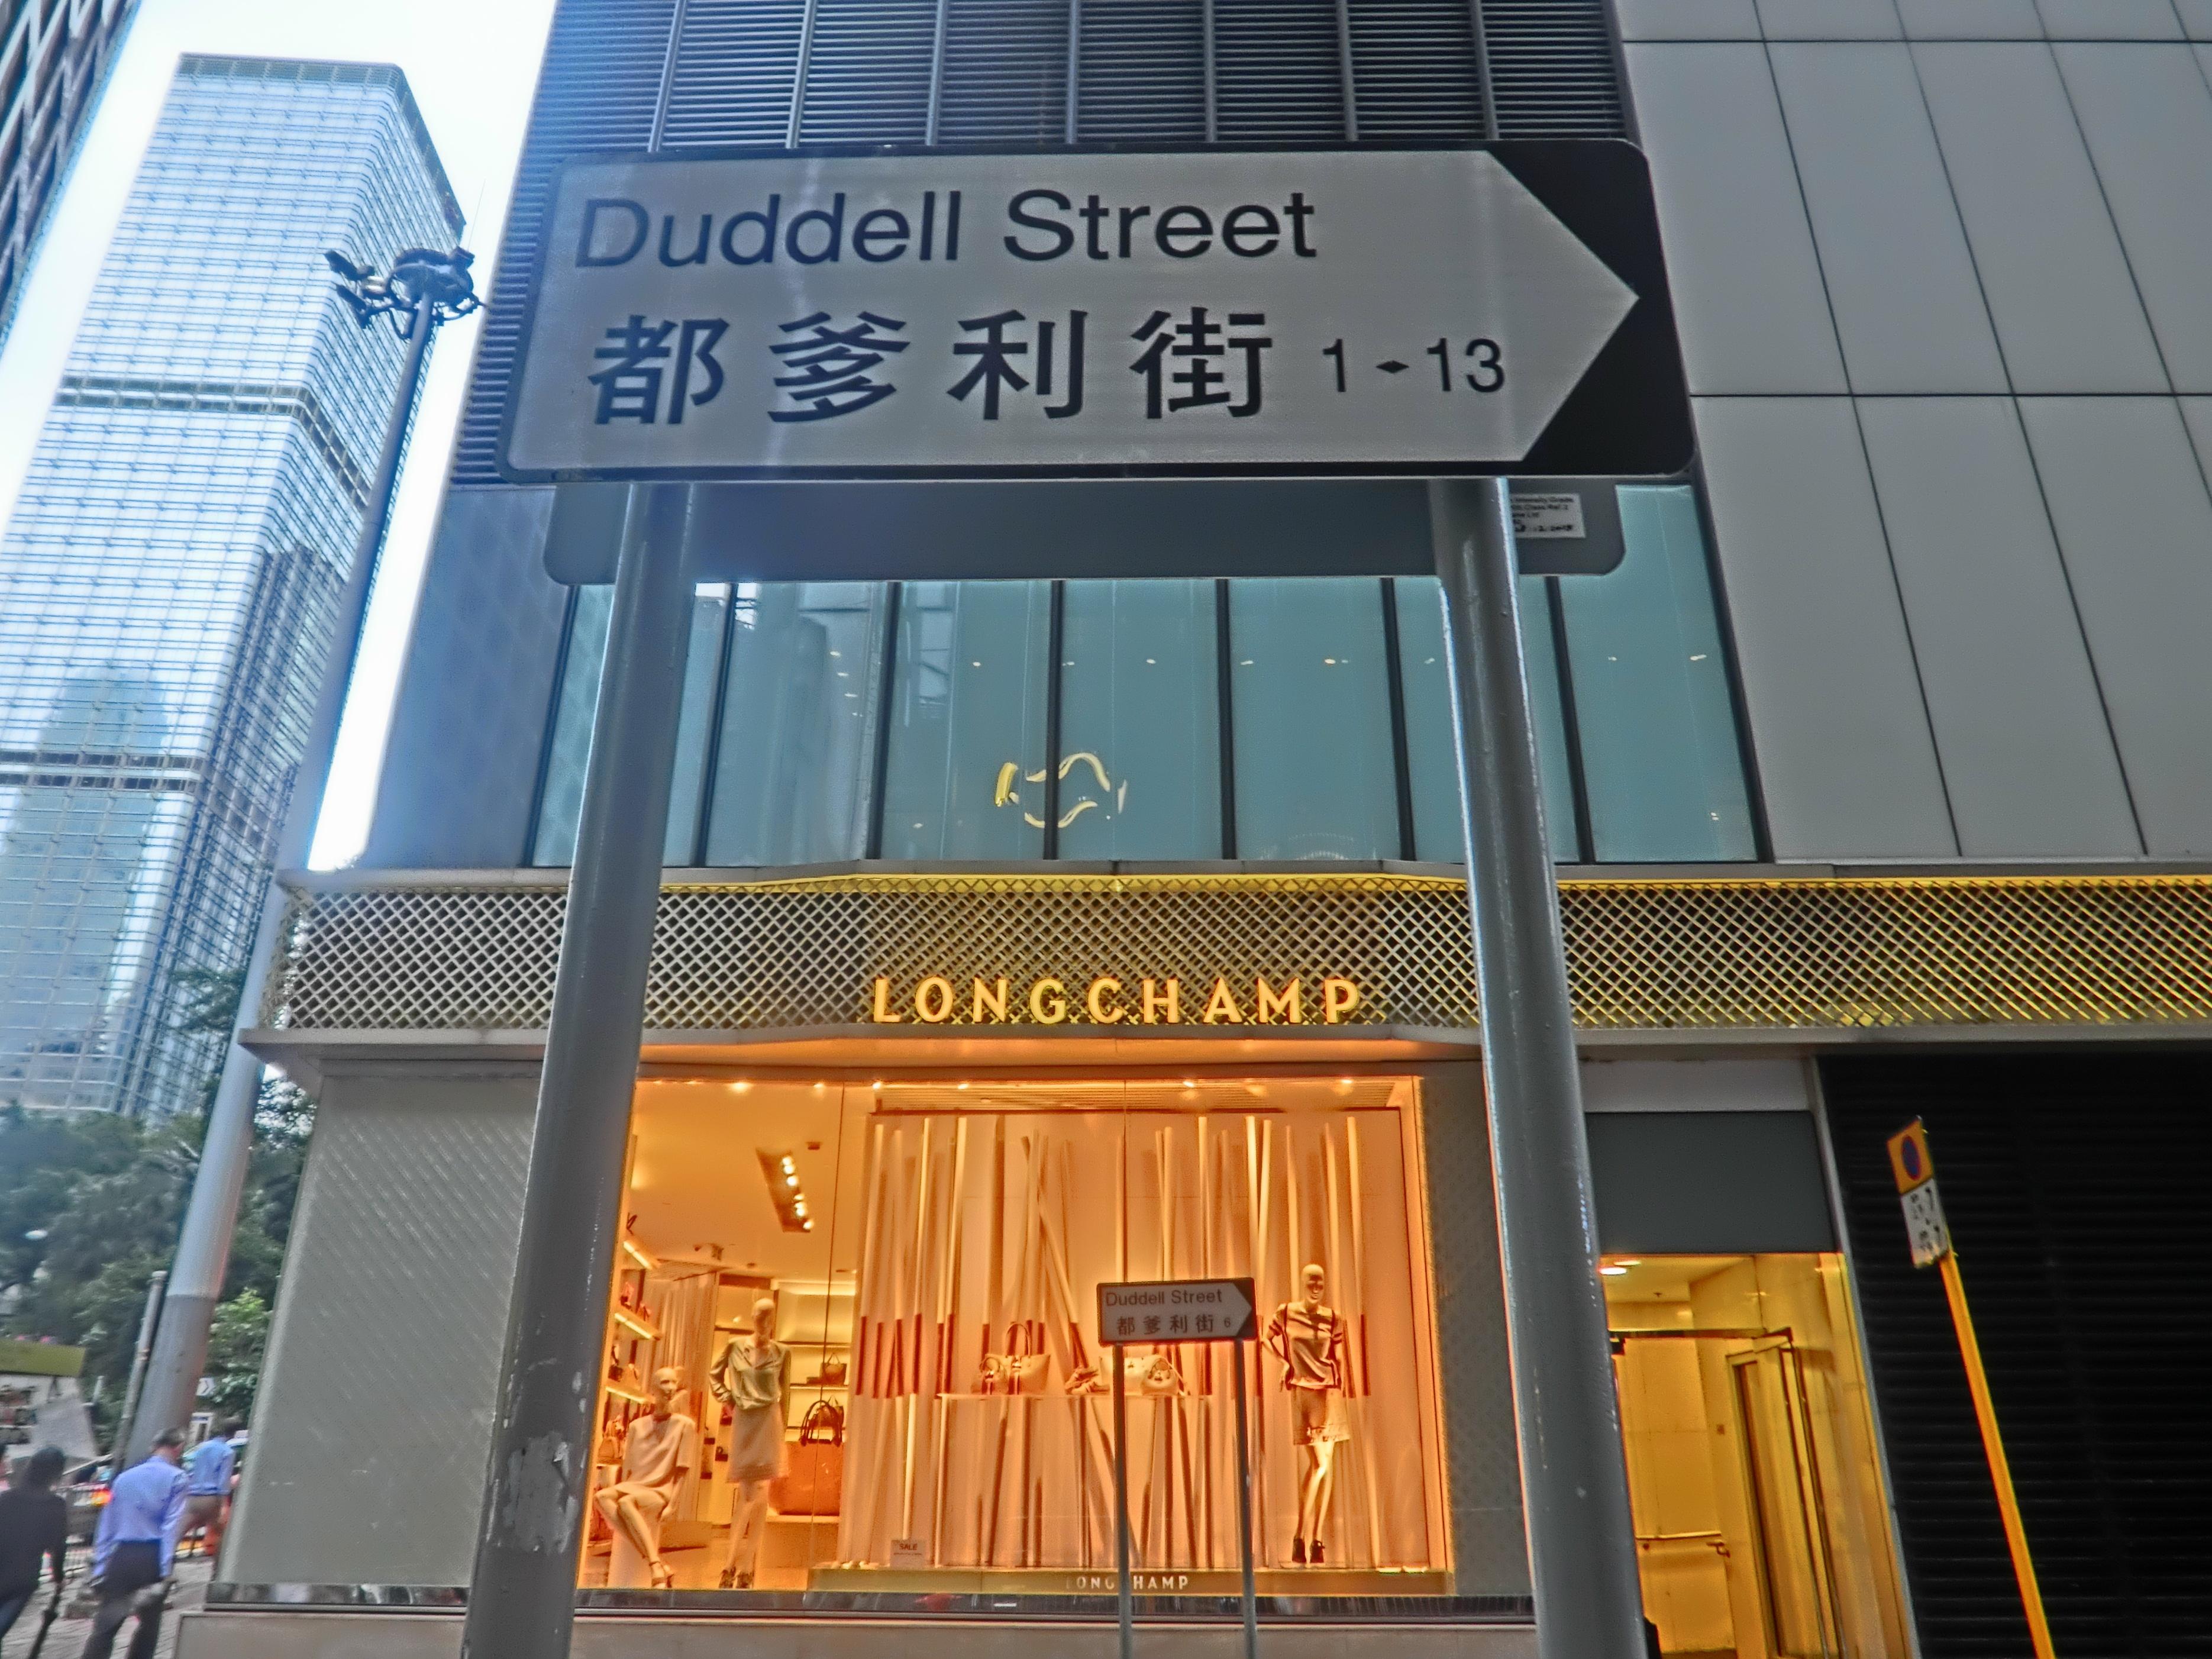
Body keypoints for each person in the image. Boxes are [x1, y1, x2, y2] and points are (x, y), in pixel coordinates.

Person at [82, 1428, 188, 1659]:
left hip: (122, 1555)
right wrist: (166, 1570)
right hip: (152, 1556)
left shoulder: (124, 1478)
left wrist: (100, 1567)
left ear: (153, 1446)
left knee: (106, 1625)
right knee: (149, 1627)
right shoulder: (177, 1478)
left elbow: (107, 1526)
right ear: (178, 1448)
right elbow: (171, 1526)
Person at [592, 1368, 696, 1589]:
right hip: (635, 1485)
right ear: (653, 1389)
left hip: (660, 1490)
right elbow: (628, 1470)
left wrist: (673, 1504)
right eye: (665, 1382)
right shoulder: (636, 1426)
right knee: (601, 1497)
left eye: (674, 1383)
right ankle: (656, 1562)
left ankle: (655, 1565)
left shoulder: (685, 1426)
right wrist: (622, 1486)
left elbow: (682, 1471)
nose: (670, 1388)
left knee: (626, 1502)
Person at [0, 1446, 69, 1639]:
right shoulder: (56, 1506)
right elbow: (58, 1546)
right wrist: (59, 1576)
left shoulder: (6, 1499)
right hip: (23, 1579)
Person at [180, 1420, 240, 1563]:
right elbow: (223, 1481)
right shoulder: (227, 1452)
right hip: (212, 1498)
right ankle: (217, 1569)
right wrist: (223, 1505)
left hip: (193, 1496)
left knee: (179, 1532)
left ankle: (164, 1567)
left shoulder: (201, 1448)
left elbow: (189, 1470)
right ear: (234, 1433)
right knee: (220, 1535)